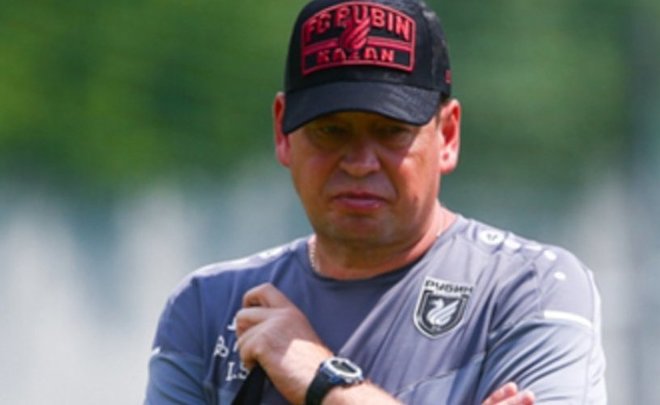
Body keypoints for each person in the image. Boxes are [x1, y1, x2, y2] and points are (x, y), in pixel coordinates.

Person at [145, 0, 606, 404]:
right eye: (331, 130)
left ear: (447, 135)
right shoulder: (209, 308)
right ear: (283, 132)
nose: (360, 163)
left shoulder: (530, 290)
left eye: (391, 131)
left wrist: (323, 380)